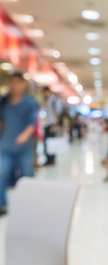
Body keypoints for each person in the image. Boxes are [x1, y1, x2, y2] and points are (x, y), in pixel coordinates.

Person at [0, 72, 38, 215]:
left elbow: (31, 124)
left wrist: (24, 135)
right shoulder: (3, 102)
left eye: (17, 82)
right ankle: (1, 204)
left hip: (24, 148)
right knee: (1, 174)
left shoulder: (29, 103)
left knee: (27, 175)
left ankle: (30, 203)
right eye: (11, 82)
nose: (13, 85)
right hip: (5, 146)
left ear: (23, 84)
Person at [42, 86, 63, 166]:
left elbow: (57, 113)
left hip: (52, 124)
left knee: (51, 142)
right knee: (47, 142)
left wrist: (56, 125)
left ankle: (51, 160)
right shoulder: (48, 100)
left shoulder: (54, 100)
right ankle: (48, 159)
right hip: (47, 124)